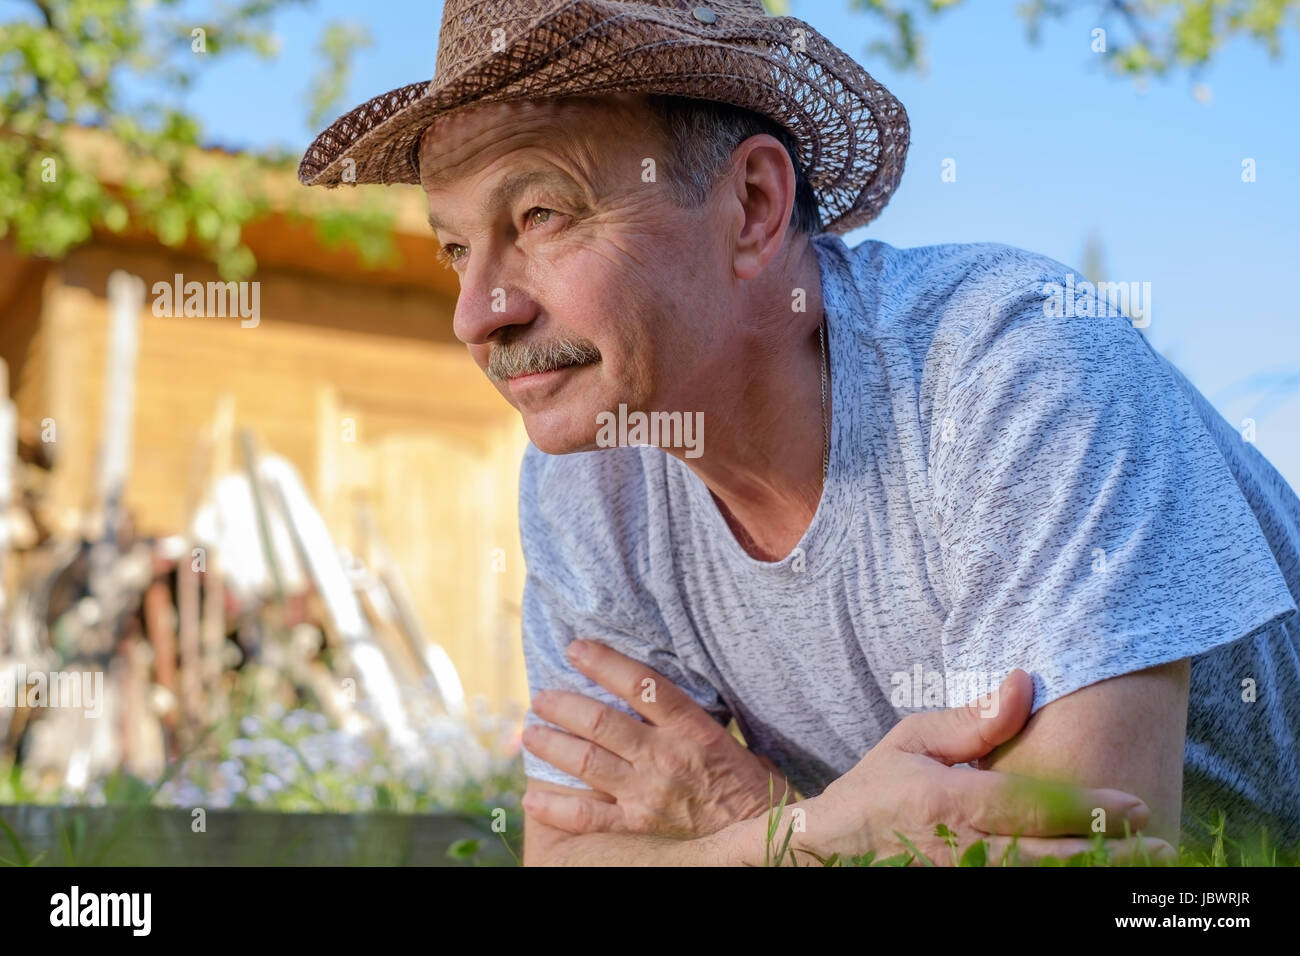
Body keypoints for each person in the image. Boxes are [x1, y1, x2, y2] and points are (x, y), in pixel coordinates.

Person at [300, 0, 1300, 865]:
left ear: (752, 206)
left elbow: (1080, 861)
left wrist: (751, 817)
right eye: (454, 248)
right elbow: (564, 850)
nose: (478, 313)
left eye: (543, 215)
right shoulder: (588, 476)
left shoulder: (1011, 362)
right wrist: (801, 837)